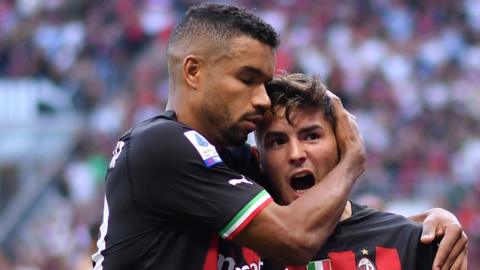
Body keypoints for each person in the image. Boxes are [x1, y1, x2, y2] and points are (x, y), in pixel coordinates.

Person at [92, 3, 466, 269]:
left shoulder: (235, 164)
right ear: (193, 71)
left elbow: (332, 221)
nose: (260, 99)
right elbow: (296, 239)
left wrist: (425, 223)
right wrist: (353, 159)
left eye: (265, 84)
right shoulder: (161, 145)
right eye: (247, 79)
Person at [254, 73, 468, 270]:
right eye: (278, 142)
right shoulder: (237, 245)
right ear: (260, 158)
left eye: (311, 136)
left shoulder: (407, 243)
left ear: (342, 144)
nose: (296, 154)